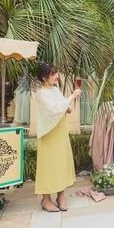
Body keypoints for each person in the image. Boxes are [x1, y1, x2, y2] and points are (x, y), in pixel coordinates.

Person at [34, 62, 81, 212]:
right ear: (43, 77)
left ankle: (61, 196)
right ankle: (45, 199)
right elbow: (53, 110)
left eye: (56, 73)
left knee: (61, 163)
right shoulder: (40, 93)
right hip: (48, 134)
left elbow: (61, 105)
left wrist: (67, 108)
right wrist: (72, 96)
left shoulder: (55, 90)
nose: (56, 76)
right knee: (48, 165)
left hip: (60, 132)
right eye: (52, 74)